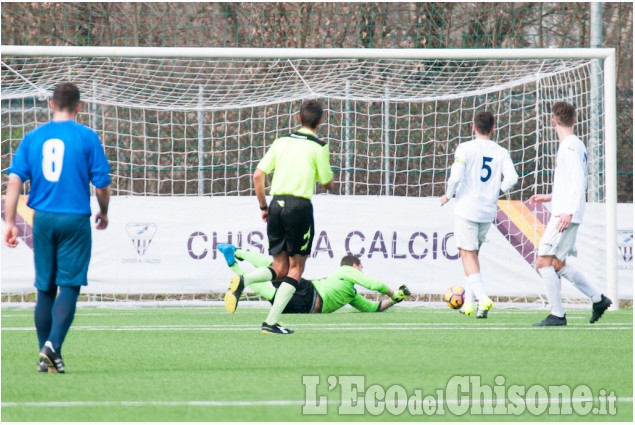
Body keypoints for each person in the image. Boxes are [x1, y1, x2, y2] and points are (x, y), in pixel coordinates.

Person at [4, 82, 111, 373]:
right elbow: (101, 184)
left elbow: (14, 181)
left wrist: (11, 221)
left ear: (51, 105)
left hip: (43, 218)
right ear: (79, 106)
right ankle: (52, 346)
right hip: (74, 219)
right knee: (70, 285)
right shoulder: (87, 137)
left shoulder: (33, 137)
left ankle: (47, 355)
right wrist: (104, 211)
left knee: (46, 288)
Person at [224, 99, 334, 334]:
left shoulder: (281, 141)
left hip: (276, 204)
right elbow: (328, 183)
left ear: (298, 118)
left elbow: (257, 176)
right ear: (321, 121)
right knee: (296, 269)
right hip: (299, 207)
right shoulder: (319, 146)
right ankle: (271, 322)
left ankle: (244, 280)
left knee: (279, 267)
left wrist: (264, 207)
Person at [530, 101, 612, 326]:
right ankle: (598, 299)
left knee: (543, 261)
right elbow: (570, 182)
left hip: (565, 215)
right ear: (574, 121)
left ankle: (557, 315)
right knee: (557, 263)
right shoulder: (576, 144)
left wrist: (568, 211)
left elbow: (578, 181)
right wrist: (550, 197)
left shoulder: (568, 146)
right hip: (567, 210)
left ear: (553, 121)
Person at [440, 111, 518, 318]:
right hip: (487, 211)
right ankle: (470, 304)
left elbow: (455, 177)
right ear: (493, 129)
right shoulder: (500, 151)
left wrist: (448, 195)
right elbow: (512, 178)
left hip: (467, 209)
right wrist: (497, 191)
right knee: (473, 256)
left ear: (473, 127)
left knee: (467, 255)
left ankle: (483, 298)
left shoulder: (465, 148)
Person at [218, 244, 411, 316]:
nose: (362, 271)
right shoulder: (345, 270)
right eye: (361, 268)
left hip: (305, 309)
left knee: (268, 292)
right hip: (309, 292)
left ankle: (234, 266)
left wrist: (396, 300)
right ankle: (237, 251)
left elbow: (372, 308)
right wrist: (392, 293)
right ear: (354, 266)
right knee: (277, 268)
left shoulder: (350, 294)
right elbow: (374, 285)